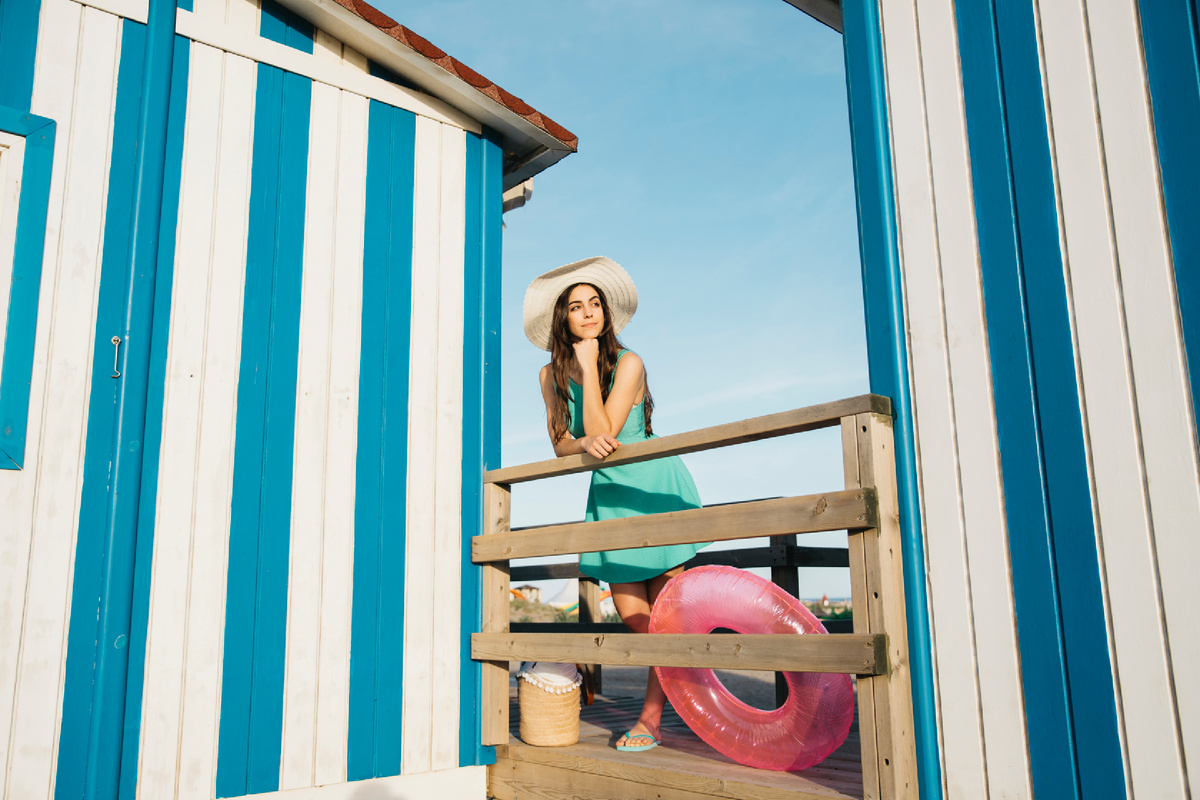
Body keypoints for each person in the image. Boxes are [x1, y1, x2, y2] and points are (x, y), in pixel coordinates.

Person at [523, 256, 708, 753]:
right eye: (576, 306)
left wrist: (588, 368)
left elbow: (606, 430)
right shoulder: (548, 375)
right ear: (562, 318)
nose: (588, 313)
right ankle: (688, 674)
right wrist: (581, 444)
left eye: (595, 304)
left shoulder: (629, 363)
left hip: (655, 487)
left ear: (606, 313)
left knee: (666, 613)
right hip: (610, 495)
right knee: (633, 615)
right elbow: (563, 443)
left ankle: (650, 719)